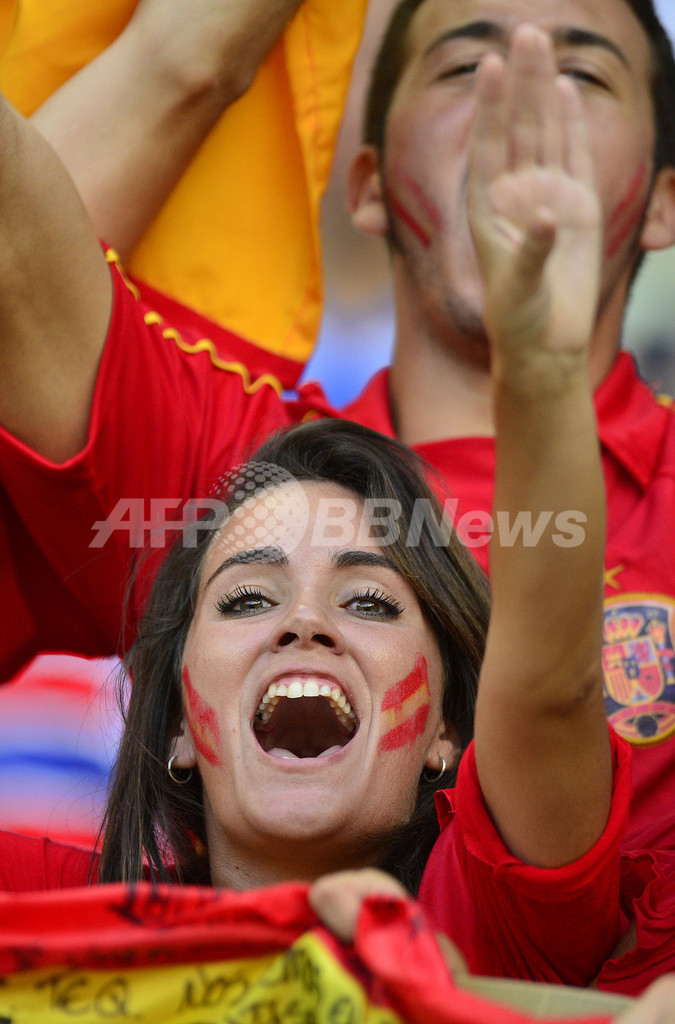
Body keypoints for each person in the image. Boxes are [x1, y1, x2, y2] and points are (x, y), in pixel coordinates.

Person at [1, 0, 674, 850]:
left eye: (579, 75)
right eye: (466, 70)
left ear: (662, 202)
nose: (520, 113)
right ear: (369, 186)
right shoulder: (231, 470)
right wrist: (204, 55)